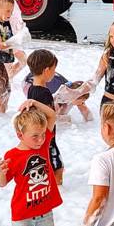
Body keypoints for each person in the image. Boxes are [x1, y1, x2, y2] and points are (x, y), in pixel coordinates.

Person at [0, 100, 62, 226]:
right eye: (35, 136)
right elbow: (2, 183)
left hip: (44, 209)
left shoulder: (43, 145)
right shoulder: (13, 155)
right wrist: (2, 172)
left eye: (42, 134)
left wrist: (33, 102)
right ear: (20, 135)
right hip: (23, 212)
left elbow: (52, 115)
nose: (40, 139)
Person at [26, 49, 65, 184]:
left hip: (40, 136)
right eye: (54, 70)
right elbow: (48, 115)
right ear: (46, 70)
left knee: (48, 166)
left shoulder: (32, 88)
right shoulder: (43, 92)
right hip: (47, 136)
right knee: (57, 169)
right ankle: (55, 192)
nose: (54, 73)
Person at [22, 71, 93, 123]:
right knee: (59, 115)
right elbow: (50, 118)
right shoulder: (59, 95)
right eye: (83, 101)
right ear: (76, 97)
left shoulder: (72, 90)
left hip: (40, 77)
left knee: (64, 112)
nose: (83, 103)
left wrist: (90, 122)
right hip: (28, 84)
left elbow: (88, 116)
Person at [0, 0, 32, 78]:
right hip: (8, 39)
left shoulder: (13, 2)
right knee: (9, 65)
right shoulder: (7, 3)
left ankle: (9, 78)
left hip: (14, 39)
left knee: (24, 61)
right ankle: (7, 83)